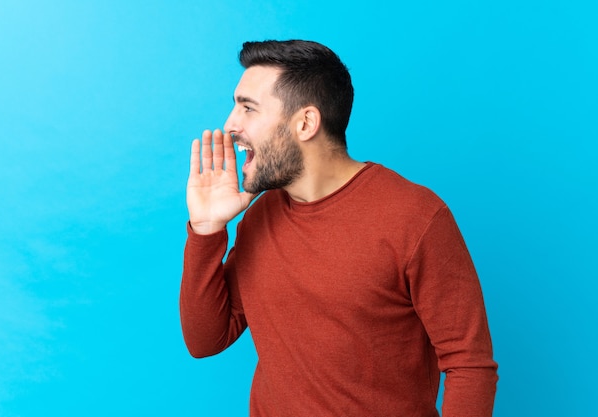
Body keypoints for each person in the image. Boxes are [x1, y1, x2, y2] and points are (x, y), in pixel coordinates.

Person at [180, 39, 498, 417]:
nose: (231, 125)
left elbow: (469, 364)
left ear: (305, 123)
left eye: (248, 108)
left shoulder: (415, 217)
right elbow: (206, 340)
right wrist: (205, 229)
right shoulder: (259, 218)